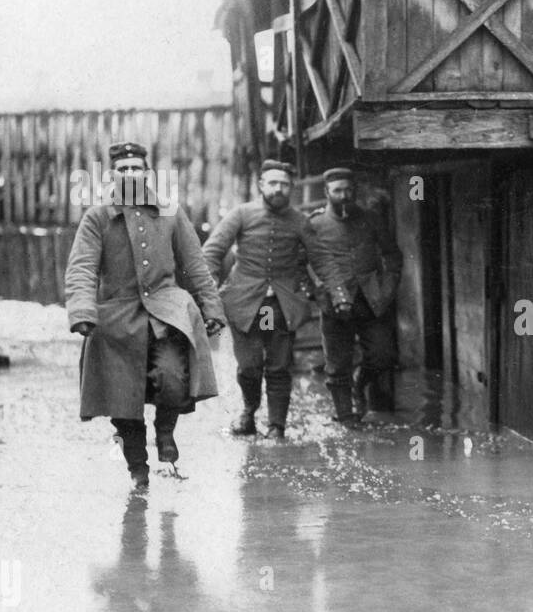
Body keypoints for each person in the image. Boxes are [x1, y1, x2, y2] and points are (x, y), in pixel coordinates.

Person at [65, 141, 226, 489]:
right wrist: (82, 310)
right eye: (122, 170)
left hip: (166, 313)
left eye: (136, 168)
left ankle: (165, 431)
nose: (130, 174)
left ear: (147, 173)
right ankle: (138, 469)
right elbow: (82, 268)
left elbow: (196, 264)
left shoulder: (169, 212)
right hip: (117, 318)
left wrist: (212, 307)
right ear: (112, 175)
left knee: (172, 377)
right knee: (122, 405)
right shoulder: (97, 217)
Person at [202, 159, 335, 439]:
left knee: (278, 366)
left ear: (291, 188)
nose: (279, 189)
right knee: (249, 366)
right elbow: (212, 251)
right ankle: (249, 412)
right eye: (273, 183)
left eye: (284, 184)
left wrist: (336, 292)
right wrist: (208, 288)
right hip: (245, 302)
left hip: (280, 306)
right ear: (261, 185)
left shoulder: (300, 221)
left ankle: (277, 425)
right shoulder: (241, 214)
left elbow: (321, 259)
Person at [308, 168, 403, 425]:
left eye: (348, 189)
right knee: (337, 365)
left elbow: (392, 255)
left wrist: (386, 290)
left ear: (355, 190)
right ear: (327, 192)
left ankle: (359, 385)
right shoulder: (315, 224)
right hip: (334, 303)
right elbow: (303, 263)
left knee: (384, 356)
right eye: (337, 190)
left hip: (372, 300)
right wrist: (319, 293)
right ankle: (347, 417)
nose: (344, 195)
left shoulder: (371, 219)